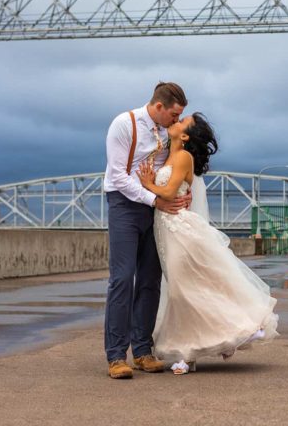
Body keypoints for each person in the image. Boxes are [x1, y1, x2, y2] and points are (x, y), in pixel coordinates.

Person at [137, 113, 279, 375]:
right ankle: (188, 353)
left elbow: (168, 193)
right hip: (165, 230)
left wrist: (147, 184)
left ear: (185, 136)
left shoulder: (183, 157)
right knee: (181, 290)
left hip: (179, 229)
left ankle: (220, 337)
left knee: (182, 291)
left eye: (181, 122)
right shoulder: (168, 155)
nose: (175, 122)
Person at [103, 82, 191, 379]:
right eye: (174, 114)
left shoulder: (168, 132)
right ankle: (116, 356)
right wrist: (154, 198)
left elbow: (171, 170)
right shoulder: (123, 124)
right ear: (158, 107)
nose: (176, 121)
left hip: (155, 206)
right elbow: (118, 175)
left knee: (151, 279)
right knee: (123, 278)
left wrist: (180, 192)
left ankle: (142, 351)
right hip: (124, 204)